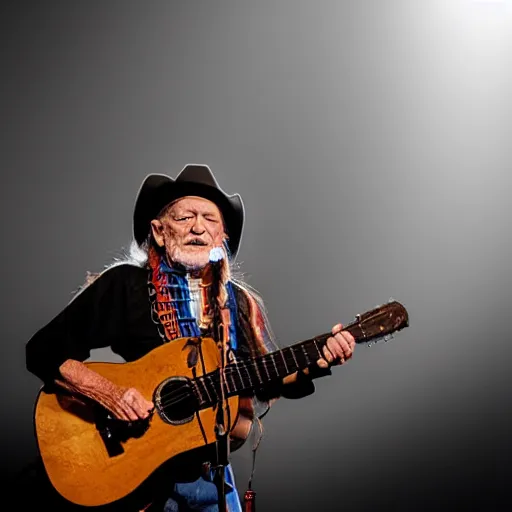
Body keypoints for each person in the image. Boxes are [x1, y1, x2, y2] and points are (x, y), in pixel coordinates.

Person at [25, 164, 356, 511]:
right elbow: (43, 351)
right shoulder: (126, 284)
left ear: (222, 238)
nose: (198, 227)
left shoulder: (238, 302)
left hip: (211, 481)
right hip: (138, 477)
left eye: (210, 220)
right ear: (159, 231)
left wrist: (318, 361)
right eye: (185, 218)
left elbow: (267, 377)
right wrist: (112, 395)